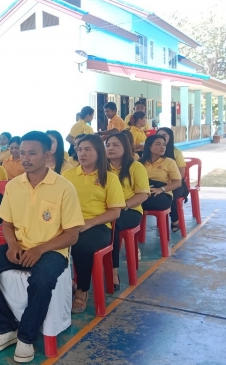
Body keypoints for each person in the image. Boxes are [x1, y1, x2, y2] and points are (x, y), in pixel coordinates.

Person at [0, 131, 84, 363]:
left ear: (47, 154)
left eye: (32, 153)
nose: (26, 158)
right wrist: (12, 245)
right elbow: (7, 224)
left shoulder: (64, 187)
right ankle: (6, 328)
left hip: (52, 250)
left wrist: (39, 250)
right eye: (23, 153)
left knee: (41, 280)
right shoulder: (14, 186)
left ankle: (26, 337)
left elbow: (72, 235)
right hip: (20, 246)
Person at [63, 135, 124, 313]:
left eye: (87, 149)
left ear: (99, 152)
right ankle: (63, 284)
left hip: (99, 226)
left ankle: (82, 289)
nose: (82, 153)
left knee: (81, 244)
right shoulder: (67, 175)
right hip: (70, 222)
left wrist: (90, 222)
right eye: (79, 149)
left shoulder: (109, 178)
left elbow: (115, 212)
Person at [105, 133, 150, 289]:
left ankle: (113, 271)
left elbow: (143, 194)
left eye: (115, 145)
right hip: (105, 210)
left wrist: (123, 205)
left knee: (113, 226)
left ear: (125, 147)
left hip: (130, 210)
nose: (110, 148)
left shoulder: (135, 167)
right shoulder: (102, 167)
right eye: (108, 145)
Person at [140, 135, 182, 216]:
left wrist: (161, 189)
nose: (162, 147)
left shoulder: (169, 162)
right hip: (143, 192)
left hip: (162, 194)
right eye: (158, 144)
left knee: (138, 202)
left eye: (164, 144)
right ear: (149, 146)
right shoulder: (139, 162)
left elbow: (177, 183)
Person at [156, 127, 187, 232]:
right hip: (158, 184)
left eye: (164, 135)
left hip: (176, 184)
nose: (161, 138)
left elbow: (181, 174)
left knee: (170, 194)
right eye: (158, 135)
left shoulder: (176, 152)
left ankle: (174, 220)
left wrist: (168, 185)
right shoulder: (153, 152)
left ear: (170, 137)